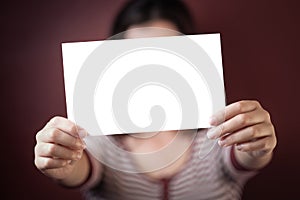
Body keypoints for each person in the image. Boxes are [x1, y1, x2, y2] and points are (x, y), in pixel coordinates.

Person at [34, 0, 277, 199]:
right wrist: (59, 162)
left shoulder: (219, 137)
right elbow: (76, 170)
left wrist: (258, 142)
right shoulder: (97, 144)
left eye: (167, 53)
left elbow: (248, 155)